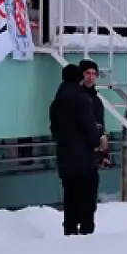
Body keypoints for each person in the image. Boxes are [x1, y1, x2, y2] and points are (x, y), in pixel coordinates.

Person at [50, 64, 105, 235]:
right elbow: (89, 129)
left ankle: (70, 230)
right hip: (83, 159)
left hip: (65, 158)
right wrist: (98, 141)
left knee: (70, 197)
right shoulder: (82, 99)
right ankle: (86, 233)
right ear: (79, 78)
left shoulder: (57, 101)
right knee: (87, 199)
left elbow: (55, 130)